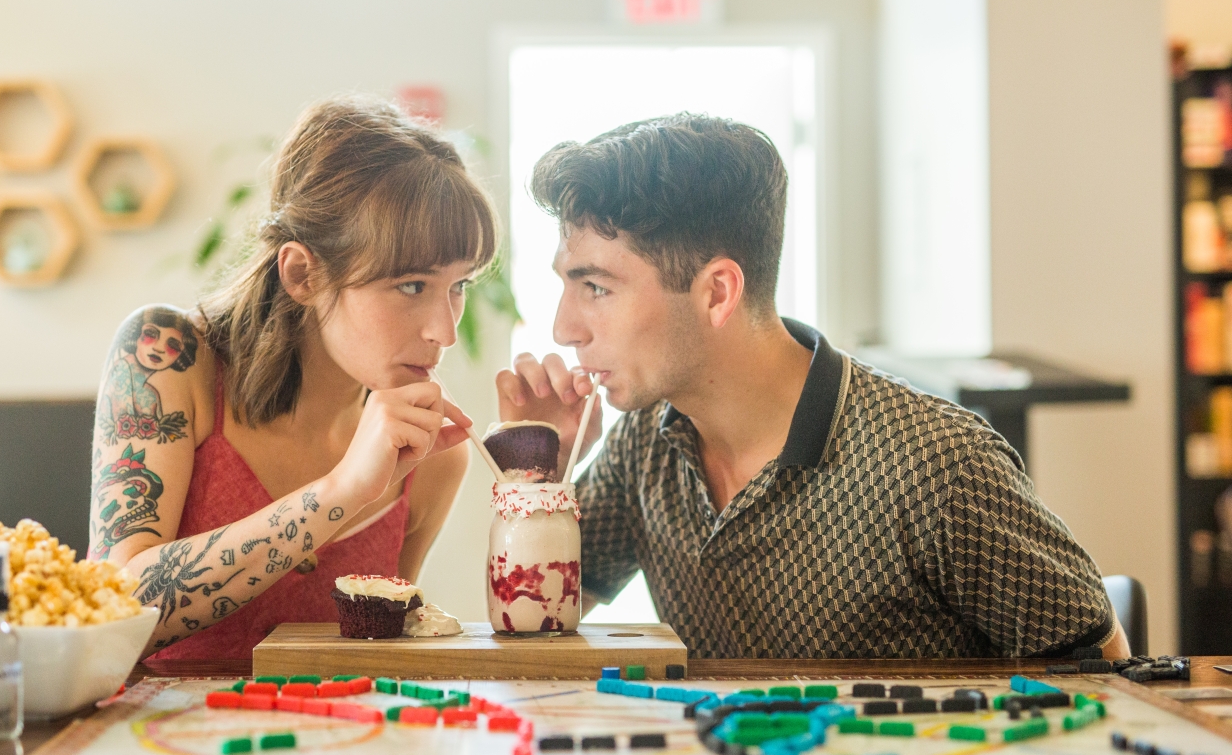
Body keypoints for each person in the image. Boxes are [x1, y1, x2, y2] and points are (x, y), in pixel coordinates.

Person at [497, 113, 1131, 660]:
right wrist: (538, 481)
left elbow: (1101, 671)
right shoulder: (647, 437)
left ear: (717, 292)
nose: (564, 327)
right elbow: (541, 616)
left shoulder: (936, 466)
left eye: (597, 288)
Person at [88, 97, 495, 658]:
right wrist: (343, 491)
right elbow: (109, 604)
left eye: (460, 286)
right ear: (303, 273)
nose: (445, 332)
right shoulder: (168, 357)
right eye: (410, 286)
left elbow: (381, 652)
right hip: (151, 740)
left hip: (345, 740)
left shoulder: (432, 458)